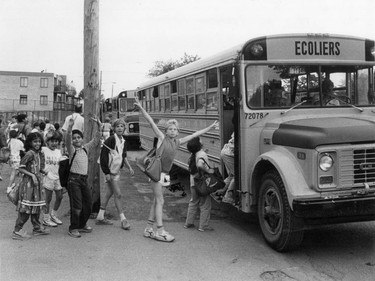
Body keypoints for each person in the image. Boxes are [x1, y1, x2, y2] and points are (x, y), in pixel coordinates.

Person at [134, 96, 219, 242]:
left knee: (157, 200)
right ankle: (160, 230)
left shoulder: (178, 142)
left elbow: (195, 134)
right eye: (170, 129)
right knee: (160, 201)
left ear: (178, 132)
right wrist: (141, 108)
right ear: (166, 131)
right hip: (156, 172)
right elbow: (150, 122)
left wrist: (210, 127)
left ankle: (148, 228)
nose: (173, 131)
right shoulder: (162, 138)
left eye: (175, 129)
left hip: (166, 174)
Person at [65, 115, 103, 238]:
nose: (76, 140)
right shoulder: (72, 150)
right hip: (73, 181)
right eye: (74, 138)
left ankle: (82, 224)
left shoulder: (85, 148)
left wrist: (99, 126)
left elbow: (96, 140)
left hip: (83, 180)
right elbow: (67, 139)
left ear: (82, 139)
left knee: (88, 204)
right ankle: (73, 227)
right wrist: (70, 128)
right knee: (77, 206)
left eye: (78, 137)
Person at [96, 118, 134, 230]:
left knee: (109, 193)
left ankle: (100, 216)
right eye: (117, 126)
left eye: (122, 126)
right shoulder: (111, 140)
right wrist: (106, 173)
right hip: (110, 171)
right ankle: (123, 219)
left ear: (124, 128)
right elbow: (103, 157)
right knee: (118, 194)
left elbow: (123, 156)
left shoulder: (123, 141)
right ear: (113, 128)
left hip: (116, 171)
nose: (120, 128)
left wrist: (129, 167)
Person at [12, 132, 50, 240]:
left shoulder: (39, 153)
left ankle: (37, 228)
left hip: (37, 184)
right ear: (30, 142)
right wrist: (32, 175)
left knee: (36, 206)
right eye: (35, 141)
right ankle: (17, 230)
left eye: (39, 141)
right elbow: (21, 168)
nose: (37, 143)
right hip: (29, 184)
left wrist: (43, 171)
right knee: (26, 208)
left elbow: (38, 168)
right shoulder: (29, 153)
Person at [184, 137, 214, 232]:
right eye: (200, 139)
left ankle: (188, 223)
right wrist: (209, 170)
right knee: (205, 204)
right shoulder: (201, 154)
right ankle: (203, 226)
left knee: (193, 202)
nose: (201, 140)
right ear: (198, 144)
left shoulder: (194, 154)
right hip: (202, 184)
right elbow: (200, 164)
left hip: (193, 183)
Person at [41, 131, 64, 227]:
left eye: (56, 141)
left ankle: (53, 214)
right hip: (48, 177)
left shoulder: (59, 152)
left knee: (59, 196)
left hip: (57, 178)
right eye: (52, 141)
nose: (54, 143)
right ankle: (46, 218)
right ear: (48, 142)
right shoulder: (44, 149)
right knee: (48, 198)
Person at [220, 133, 236, 204]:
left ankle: (218, 192)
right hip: (229, 154)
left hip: (225, 151)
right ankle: (228, 197)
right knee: (237, 176)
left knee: (231, 176)